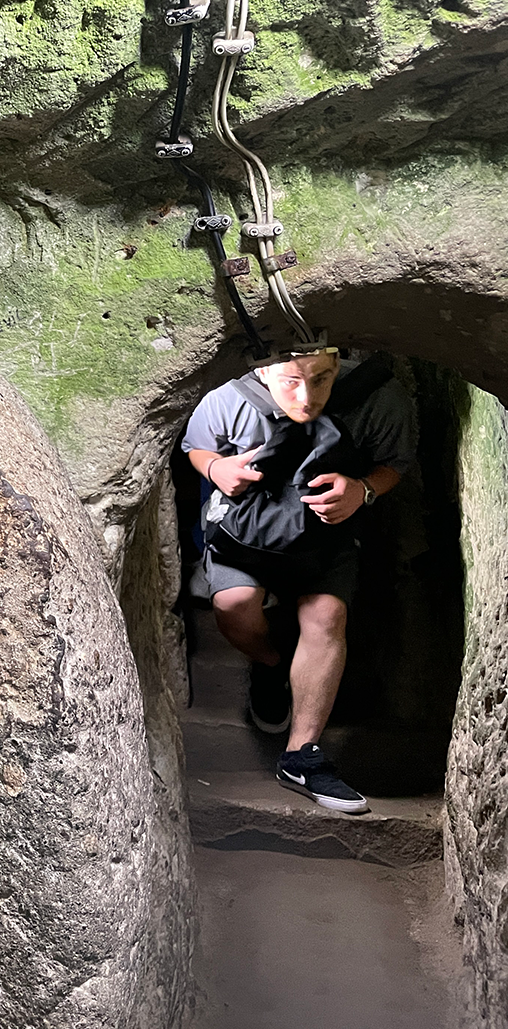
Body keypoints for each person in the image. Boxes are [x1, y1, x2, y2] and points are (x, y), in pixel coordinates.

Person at [181, 346, 417, 814]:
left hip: (324, 536)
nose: (307, 397)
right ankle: (272, 667)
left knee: (326, 615)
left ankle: (301, 756)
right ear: (263, 368)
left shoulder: (375, 396)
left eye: (322, 378)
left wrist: (363, 490)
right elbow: (196, 446)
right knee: (233, 607)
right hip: (244, 531)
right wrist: (216, 468)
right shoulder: (229, 395)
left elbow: (396, 462)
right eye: (291, 380)